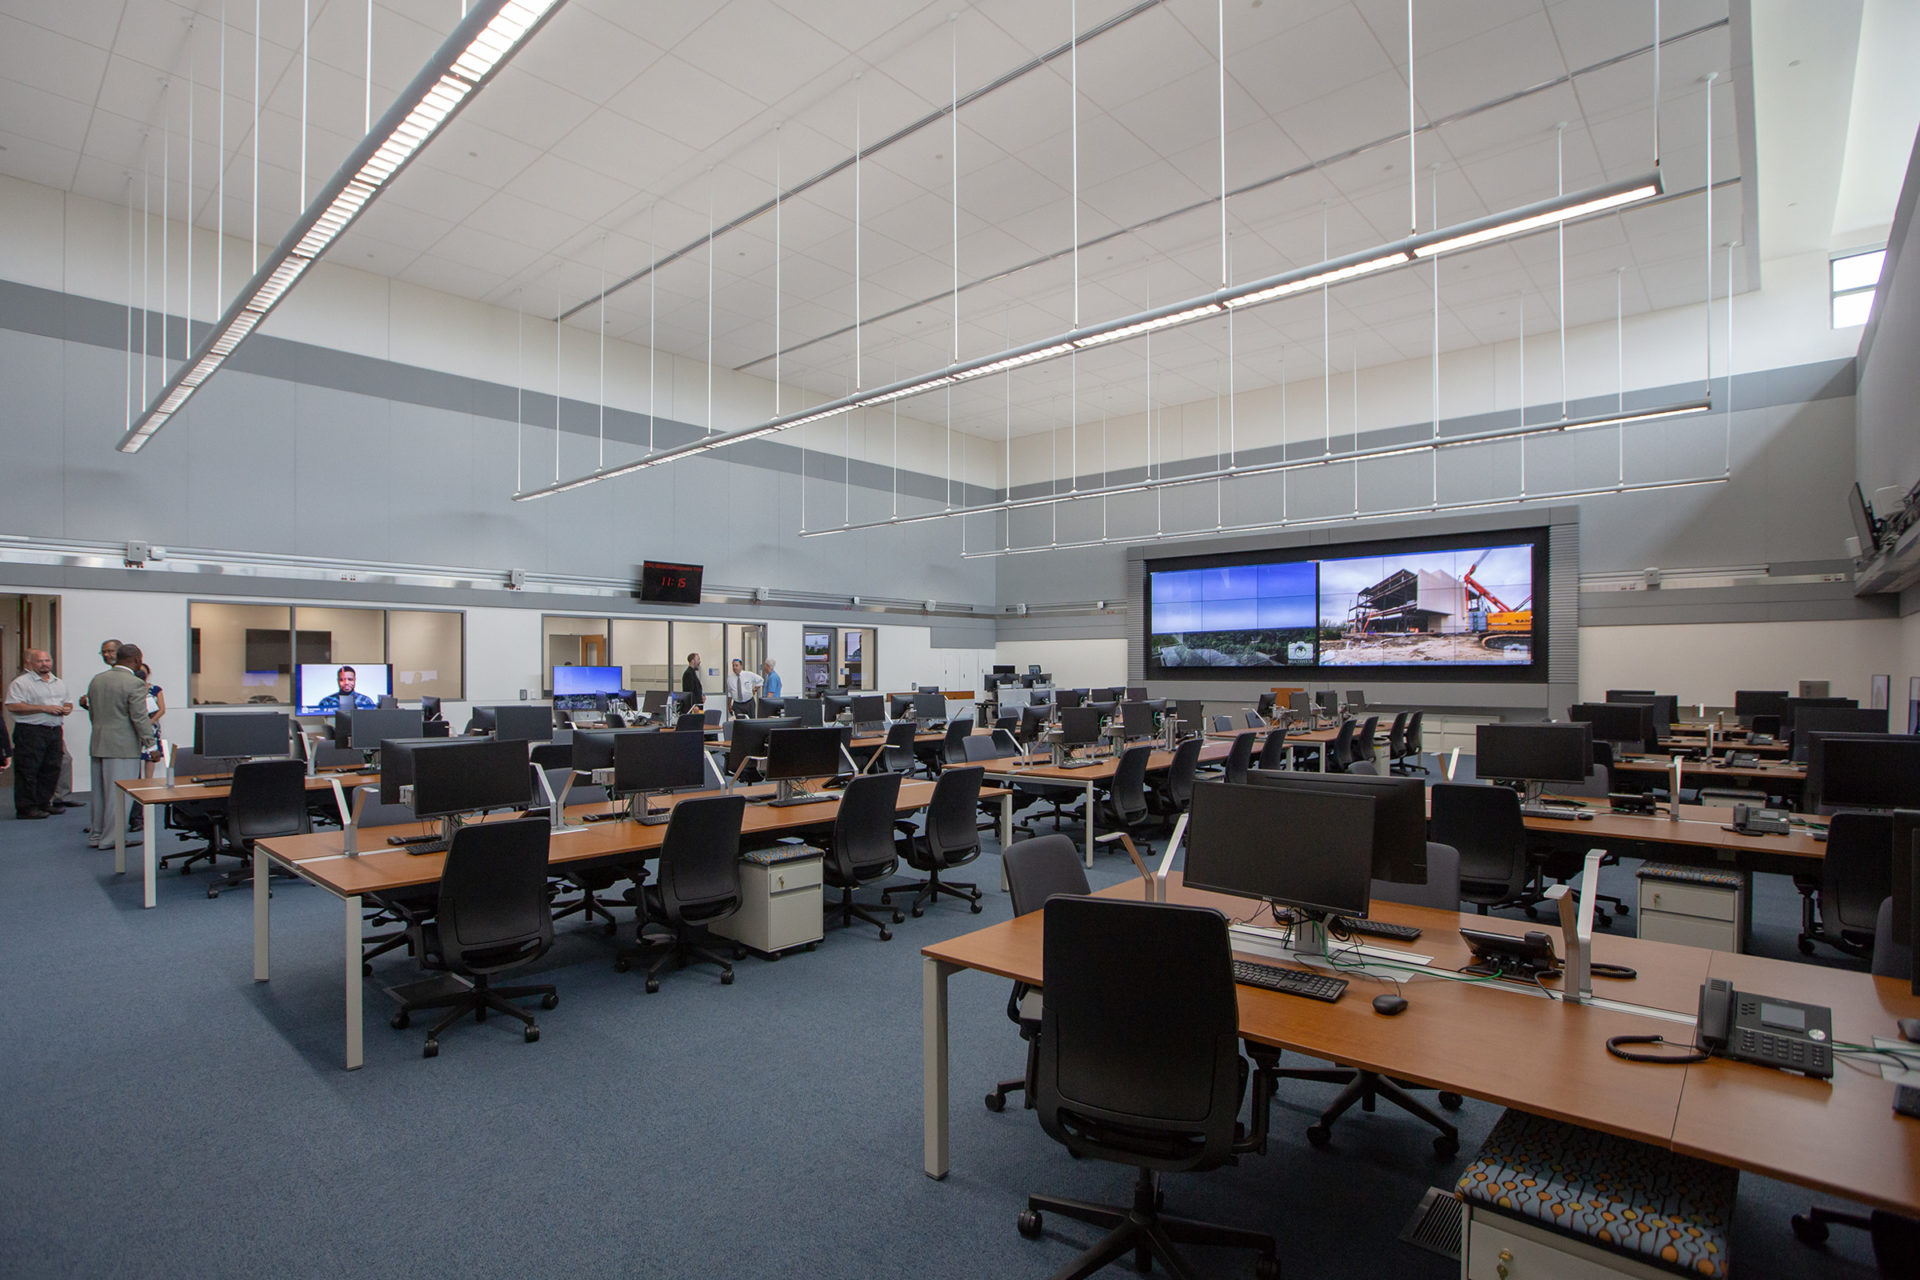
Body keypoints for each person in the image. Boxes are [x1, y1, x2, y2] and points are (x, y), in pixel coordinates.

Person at [84, 643, 157, 851]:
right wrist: (151, 745)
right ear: (136, 661)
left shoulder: (97, 680)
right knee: (120, 796)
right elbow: (139, 717)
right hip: (122, 746)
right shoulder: (133, 683)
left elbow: (93, 713)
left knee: (99, 794)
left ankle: (97, 835)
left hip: (98, 741)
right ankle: (111, 839)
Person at [7, 648, 73, 820]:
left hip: (54, 730)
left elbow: (68, 702)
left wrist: (66, 709)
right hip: (30, 731)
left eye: (47, 661)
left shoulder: (58, 682)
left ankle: (44, 803)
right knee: (28, 769)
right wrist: (43, 708)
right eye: (40, 661)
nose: (45, 664)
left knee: (51, 768)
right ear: (31, 663)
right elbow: (13, 705)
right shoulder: (21, 682)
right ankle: (26, 808)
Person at [137, 663, 166, 779]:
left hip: (151, 725)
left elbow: (162, 709)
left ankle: (149, 781)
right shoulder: (131, 689)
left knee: (150, 755)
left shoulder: (155, 689)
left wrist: (151, 721)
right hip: (135, 726)